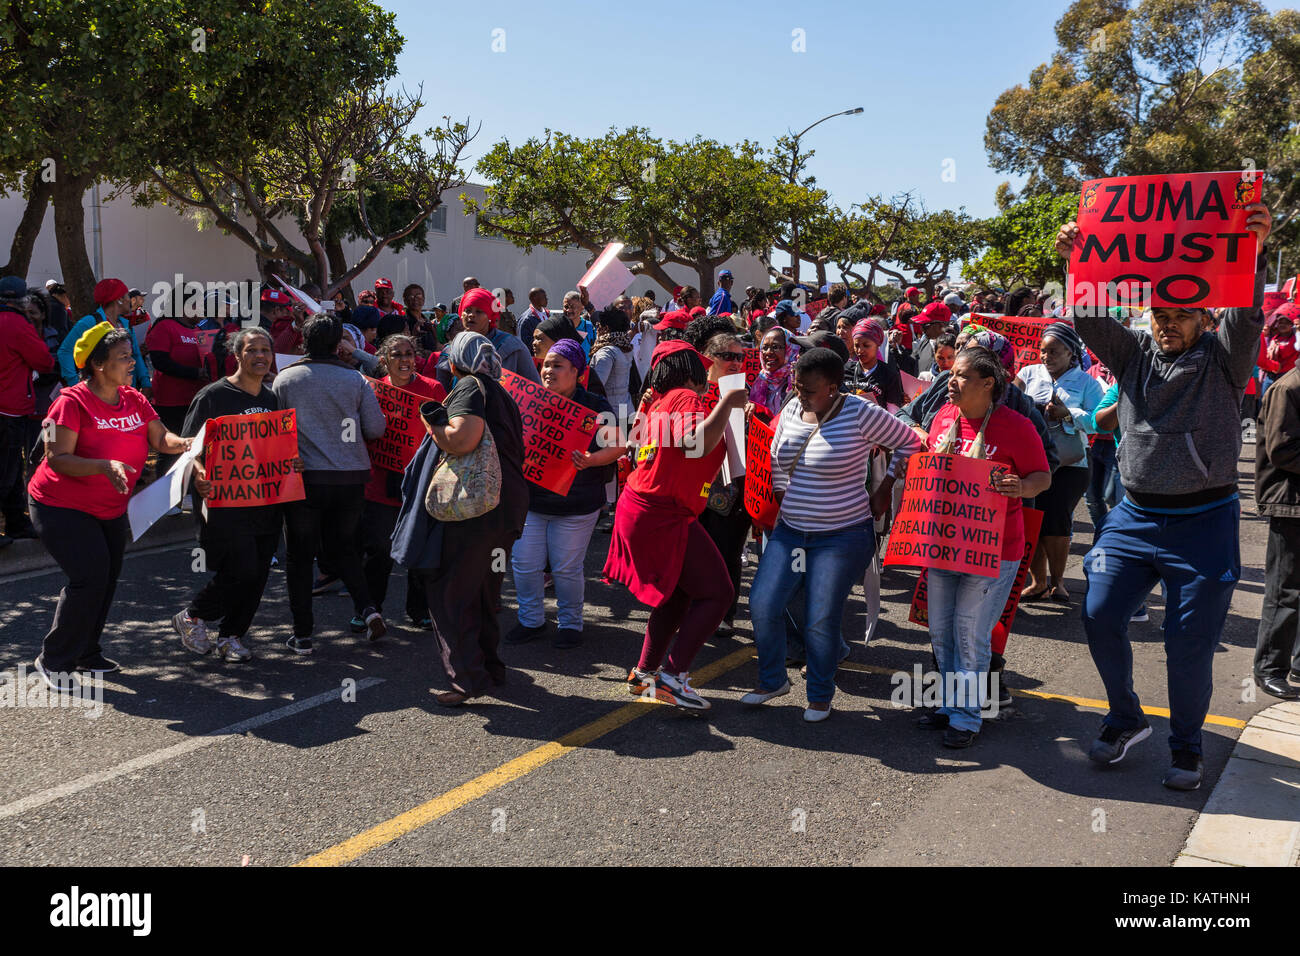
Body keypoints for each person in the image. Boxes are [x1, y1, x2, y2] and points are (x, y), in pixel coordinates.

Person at [1056, 199, 1271, 790]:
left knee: (1187, 644)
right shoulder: (1132, 356)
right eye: (1158, 314)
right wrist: (1079, 260)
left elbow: (1248, 317)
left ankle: (1187, 745)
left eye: (1180, 314)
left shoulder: (1225, 360)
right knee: (1098, 617)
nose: (1166, 323)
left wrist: (1250, 254)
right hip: (1134, 517)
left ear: (1205, 319)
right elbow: (1091, 318)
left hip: (1204, 524)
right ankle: (1126, 720)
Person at [741, 348, 922, 721]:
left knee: (820, 615)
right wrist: (778, 490)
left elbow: (910, 442)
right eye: (797, 386)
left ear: (834, 386)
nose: (800, 394)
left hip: (842, 535)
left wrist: (886, 485)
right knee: (762, 603)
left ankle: (820, 695)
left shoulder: (859, 413)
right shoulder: (792, 407)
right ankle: (773, 680)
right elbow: (777, 454)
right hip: (791, 531)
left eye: (809, 389)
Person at [28, 323, 192, 686]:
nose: (132, 362)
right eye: (123, 357)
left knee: (105, 579)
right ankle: (54, 659)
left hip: (110, 508)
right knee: (89, 577)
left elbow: (160, 437)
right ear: (99, 364)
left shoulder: (133, 397)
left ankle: (86, 652)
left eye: (131, 356)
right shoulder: (66, 403)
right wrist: (105, 466)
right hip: (60, 505)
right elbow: (56, 458)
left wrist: (186, 442)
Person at [912, 347, 1051, 745]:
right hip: (942, 546)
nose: (950, 382)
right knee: (940, 631)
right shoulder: (942, 417)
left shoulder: (1017, 426)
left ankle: (967, 718)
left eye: (960, 376)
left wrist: (1021, 487)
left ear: (987, 383)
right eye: (950, 374)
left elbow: (1043, 476)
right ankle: (949, 704)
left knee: (970, 632)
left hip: (993, 551)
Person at [604, 340, 746, 710]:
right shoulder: (685, 396)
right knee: (719, 593)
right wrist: (727, 404)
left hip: (648, 509)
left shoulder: (660, 401)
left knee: (679, 595)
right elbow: (693, 443)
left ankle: (645, 673)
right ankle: (672, 675)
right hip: (662, 512)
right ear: (690, 371)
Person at [414, 333, 529, 704]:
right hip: (504, 508)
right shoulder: (500, 392)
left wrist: (433, 423)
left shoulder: (468, 386)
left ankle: (466, 679)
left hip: (476, 511)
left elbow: (461, 439)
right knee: (483, 593)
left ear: (455, 360)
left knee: (452, 594)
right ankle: (490, 670)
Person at [174, 327, 293, 661]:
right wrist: (198, 474)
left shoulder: (272, 399)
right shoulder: (213, 396)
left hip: (267, 502)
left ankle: (231, 636)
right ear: (237, 355)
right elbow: (188, 447)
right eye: (252, 350)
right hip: (223, 504)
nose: (260, 356)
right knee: (241, 569)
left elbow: (277, 448)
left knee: (258, 574)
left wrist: (291, 460)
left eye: (265, 350)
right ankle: (193, 615)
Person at [272, 316, 388, 653]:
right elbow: (375, 429)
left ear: (303, 343)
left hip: (305, 479)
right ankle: (368, 610)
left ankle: (303, 634)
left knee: (299, 557)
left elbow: (277, 430)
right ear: (339, 344)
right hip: (351, 479)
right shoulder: (355, 379)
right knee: (345, 549)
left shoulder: (286, 379)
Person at [508, 339, 623, 648]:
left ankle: (570, 624)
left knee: (565, 568)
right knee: (524, 564)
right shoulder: (528, 399)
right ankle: (530, 621)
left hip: (577, 505)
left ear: (576, 371)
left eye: (557, 365)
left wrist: (591, 461)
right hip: (531, 501)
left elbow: (620, 445)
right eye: (546, 364)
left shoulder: (596, 405)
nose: (548, 370)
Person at [1014, 323, 1104, 602]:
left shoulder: (1088, 382)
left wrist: (1068, 414)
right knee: (1033, 520)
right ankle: (1037, 581)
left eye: (1053, 351)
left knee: (1057, 519)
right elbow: (1010, 407)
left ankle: (1059, 582)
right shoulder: (1027, 374)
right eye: (1042, 351)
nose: (1046, 356)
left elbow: (1097, 422)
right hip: (1032, 461)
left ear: (1070, 352)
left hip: (1070, 464)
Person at [1253, 362, 1300, 700]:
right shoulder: (1288, 387)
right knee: (1286, 590)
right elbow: (1282, 450)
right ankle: (1270, 669)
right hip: (1290, 503)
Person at [0, 278, 56, 545]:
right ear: (21, 300)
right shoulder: (17, 325)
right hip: (10, 408)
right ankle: (16, 523)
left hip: (8, 406)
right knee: (8, 470)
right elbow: (44, 361)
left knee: (11, 468)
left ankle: (17, 523)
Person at [145, 300, 213, 477]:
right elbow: (160, 362)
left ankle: (189, 488)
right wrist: (194, 373)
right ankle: (166, 498)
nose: (203, 310)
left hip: (196, 399)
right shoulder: (165, 327)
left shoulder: (199, 329)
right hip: (171, 401)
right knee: (170, 451)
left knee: (194, 446)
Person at [58, 279, 150, 392]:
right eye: (127, 296)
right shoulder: (89, 322)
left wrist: (146, 383)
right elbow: (64, 352)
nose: (129, 301)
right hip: (97, 393)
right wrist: (75, 384)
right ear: (119, 299)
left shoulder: (125, 324)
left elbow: (136, 355)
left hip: (125, 392)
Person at [589, 305, 635, 426]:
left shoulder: (606, 352)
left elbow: (596, 385)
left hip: (611, 415)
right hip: (627, 409)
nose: (597, 329)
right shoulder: (625, 347)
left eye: (598, 326)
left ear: (606, 328)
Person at [843, 318, 905, 408]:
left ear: (877, 344)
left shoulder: (889, 375)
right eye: (856, 345)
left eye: (866, 345)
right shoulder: (845, 370)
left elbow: (893, 411)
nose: (860, 350)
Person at [750, 327, 793, 414]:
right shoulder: (761, 379)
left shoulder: (796, 381)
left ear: (789, 349)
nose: (768, 352)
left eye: (775, 347)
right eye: (765, 347)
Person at [518, 288, 550, 356]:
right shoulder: (527, 319)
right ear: (534, 299)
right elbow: (525, 344)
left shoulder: (546, 314)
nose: (547, 299)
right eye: (544, 297)